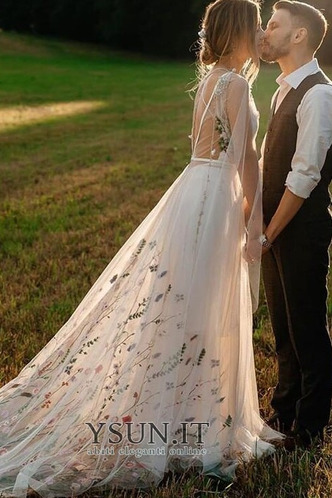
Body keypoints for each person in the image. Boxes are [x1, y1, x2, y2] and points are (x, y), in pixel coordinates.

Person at [0, 1, 282, 496]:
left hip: (194, 189)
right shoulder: (236, 84)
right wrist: (251, 224)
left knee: (183, 306)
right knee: (205, 306)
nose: (261, 31)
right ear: (239, 29)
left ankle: (179, 413)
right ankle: (200, 430)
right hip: (215, 198)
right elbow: (246, 160)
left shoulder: (213, 78)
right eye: (256, 23)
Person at [260, 0, 332, 448]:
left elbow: (304, 177)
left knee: (306, 327)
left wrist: (271, 233)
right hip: (275, 228)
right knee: (282, 327)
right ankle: (283, 410)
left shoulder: (320, 95)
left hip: (301, 229)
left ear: (299, 35)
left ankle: (308, 427)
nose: (265, 32)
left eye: (273, 25)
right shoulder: (281, 89)